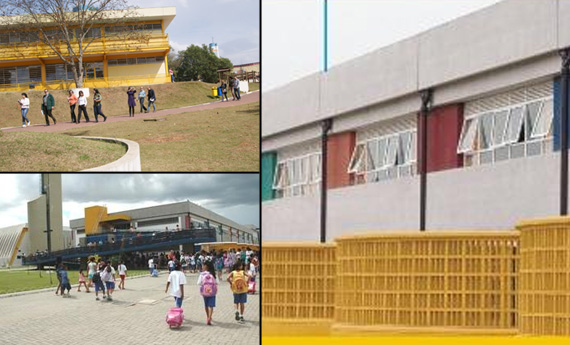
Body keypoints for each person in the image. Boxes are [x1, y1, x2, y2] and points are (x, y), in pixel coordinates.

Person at [198, 261, 218, 325]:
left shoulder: (202, 274)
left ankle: (207, 317)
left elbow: (198, 283)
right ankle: (210, 317)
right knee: (211, 305)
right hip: (212, 292)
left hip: (204, 292)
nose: (202, 267)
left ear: (206, 266)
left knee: (206, 305)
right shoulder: (213, 274)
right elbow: (217, 282)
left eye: (203, 265)